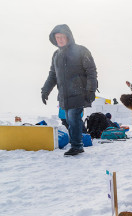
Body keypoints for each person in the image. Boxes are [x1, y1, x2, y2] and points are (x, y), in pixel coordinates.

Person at [41, 24, 97, 156]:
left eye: (62, 37)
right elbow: (53, 75)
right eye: (57, 37)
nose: (60, 40)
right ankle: (76, 144)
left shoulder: (81, 51)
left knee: (73, 118)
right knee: (68, 120)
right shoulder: (56, 55)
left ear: (68, 37)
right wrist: (45, 90)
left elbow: (91, 71)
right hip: (64, 95)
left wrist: (91, 90)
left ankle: (77, 146)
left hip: (79, 92)